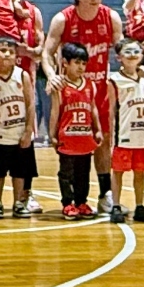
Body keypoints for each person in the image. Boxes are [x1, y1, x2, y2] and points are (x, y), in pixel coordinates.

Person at [43, 0, 122, 213]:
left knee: (103, 141)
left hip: (99, 90)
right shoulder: (63, 19)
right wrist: (52, 75)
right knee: (68, 147)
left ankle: (105, 193)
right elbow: (46, 53)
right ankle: (69, 199)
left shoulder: (111, 17)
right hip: (71, 92)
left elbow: (122, 50)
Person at [0, 36, 37, 217]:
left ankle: (18, 202)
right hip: (1, 132)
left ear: (16, 57)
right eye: (3, 50)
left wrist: (28, 130)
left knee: (19, 171)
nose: (7, 54)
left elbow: (30, 104)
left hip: (20, 131)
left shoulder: (22, 75)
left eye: (11, 52)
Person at [108, 39, 144, 223]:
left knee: (140, 172)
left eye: (136, 51)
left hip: (142, 134)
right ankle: (116, 205)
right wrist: (110, 137)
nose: (132, 55)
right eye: (128, 52)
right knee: (118, 171)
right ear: (119, 57)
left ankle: (139, 206)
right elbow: (111, 110)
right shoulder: (114, 80)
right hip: (124, 134)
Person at [49, 42, 103, 220]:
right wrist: (52, 134)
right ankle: (67, 203)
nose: (81, 67)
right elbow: (55, 111)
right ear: (65, 63)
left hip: (84, 138)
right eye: (77, 62)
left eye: (84, 63)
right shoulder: (60, 86)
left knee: (83, 173)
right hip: (67, 138)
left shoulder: (90, 85)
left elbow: (93, 109)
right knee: (66, 173)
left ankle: (81, 202)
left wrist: (97, 129)